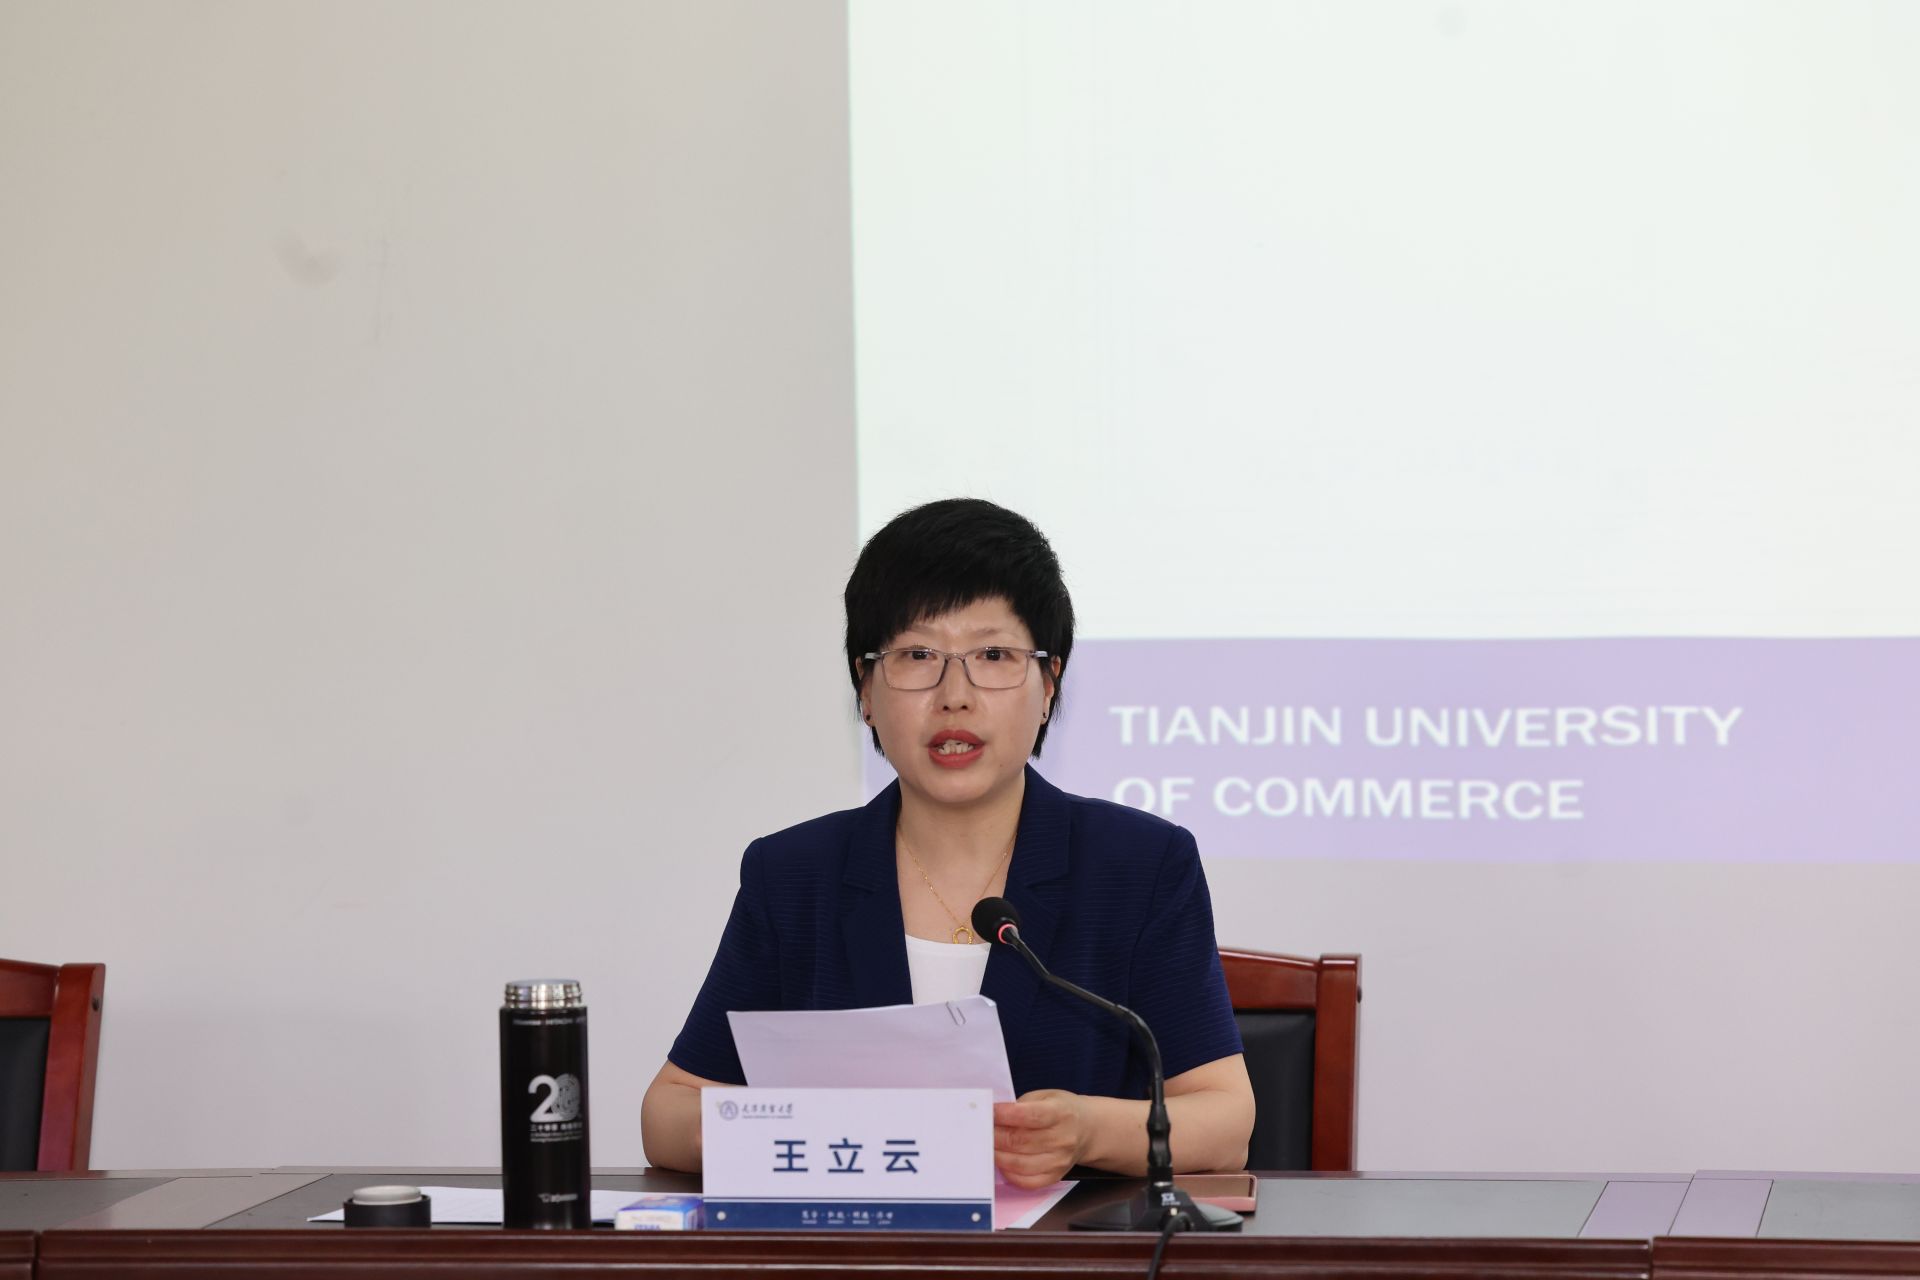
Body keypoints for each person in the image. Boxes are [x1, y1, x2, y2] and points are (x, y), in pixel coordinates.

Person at [641, 499, 1253, 1186]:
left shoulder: (1139, 866)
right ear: (864, 690)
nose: (954, 695)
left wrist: (1086, 1131)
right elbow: (668, 1114)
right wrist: (798, 1124)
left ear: (1048, 686)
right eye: (916, 655)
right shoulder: (792, 876)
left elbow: (1226, 1121)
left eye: (993, 655)